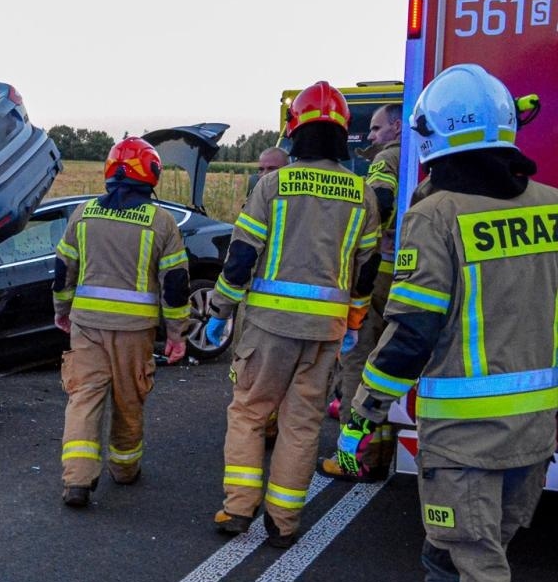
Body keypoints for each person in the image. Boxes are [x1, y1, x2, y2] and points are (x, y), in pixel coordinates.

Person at [338, 65, 551, 582]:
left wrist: (364, 411)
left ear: (435, 139)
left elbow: (412, 331)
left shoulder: (435, 216)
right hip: (534, 433)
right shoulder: (551, 206)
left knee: (469, 563)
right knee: (460, 554)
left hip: (465, 437)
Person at [201, 81, 381, 547]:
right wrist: (355, 322)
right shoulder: (362, 194)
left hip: (268, 327)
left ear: (295, 131)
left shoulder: (273, 185)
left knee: (249, 413)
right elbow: (366, 271)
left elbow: (241, 256)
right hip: (326, 331)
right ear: (343, 134)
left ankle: (238, 507)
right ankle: (284, 523)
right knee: (302, 425)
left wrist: (220, 310)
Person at [53, 138, 191, 507]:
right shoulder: (162, 222)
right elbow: (175, 286)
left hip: (87, 326)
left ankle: (77, 482)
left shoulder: (83, 214)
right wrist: (177, 333)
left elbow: (63, 271)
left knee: (83, 398)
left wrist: (61, 310)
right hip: (135, 332)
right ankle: (124, 469)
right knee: (129, 401)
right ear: (152, 174)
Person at [322, 103, 404, 479]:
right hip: (411, 280)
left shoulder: (387, 159)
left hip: (381, 276)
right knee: (390, 363)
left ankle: (355, 457)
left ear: (397, 127)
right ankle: (382, 447)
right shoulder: (425, 156)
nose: (370, 136)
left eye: (375, 128)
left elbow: (380, 201)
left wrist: (360, 237)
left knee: (359, 361)